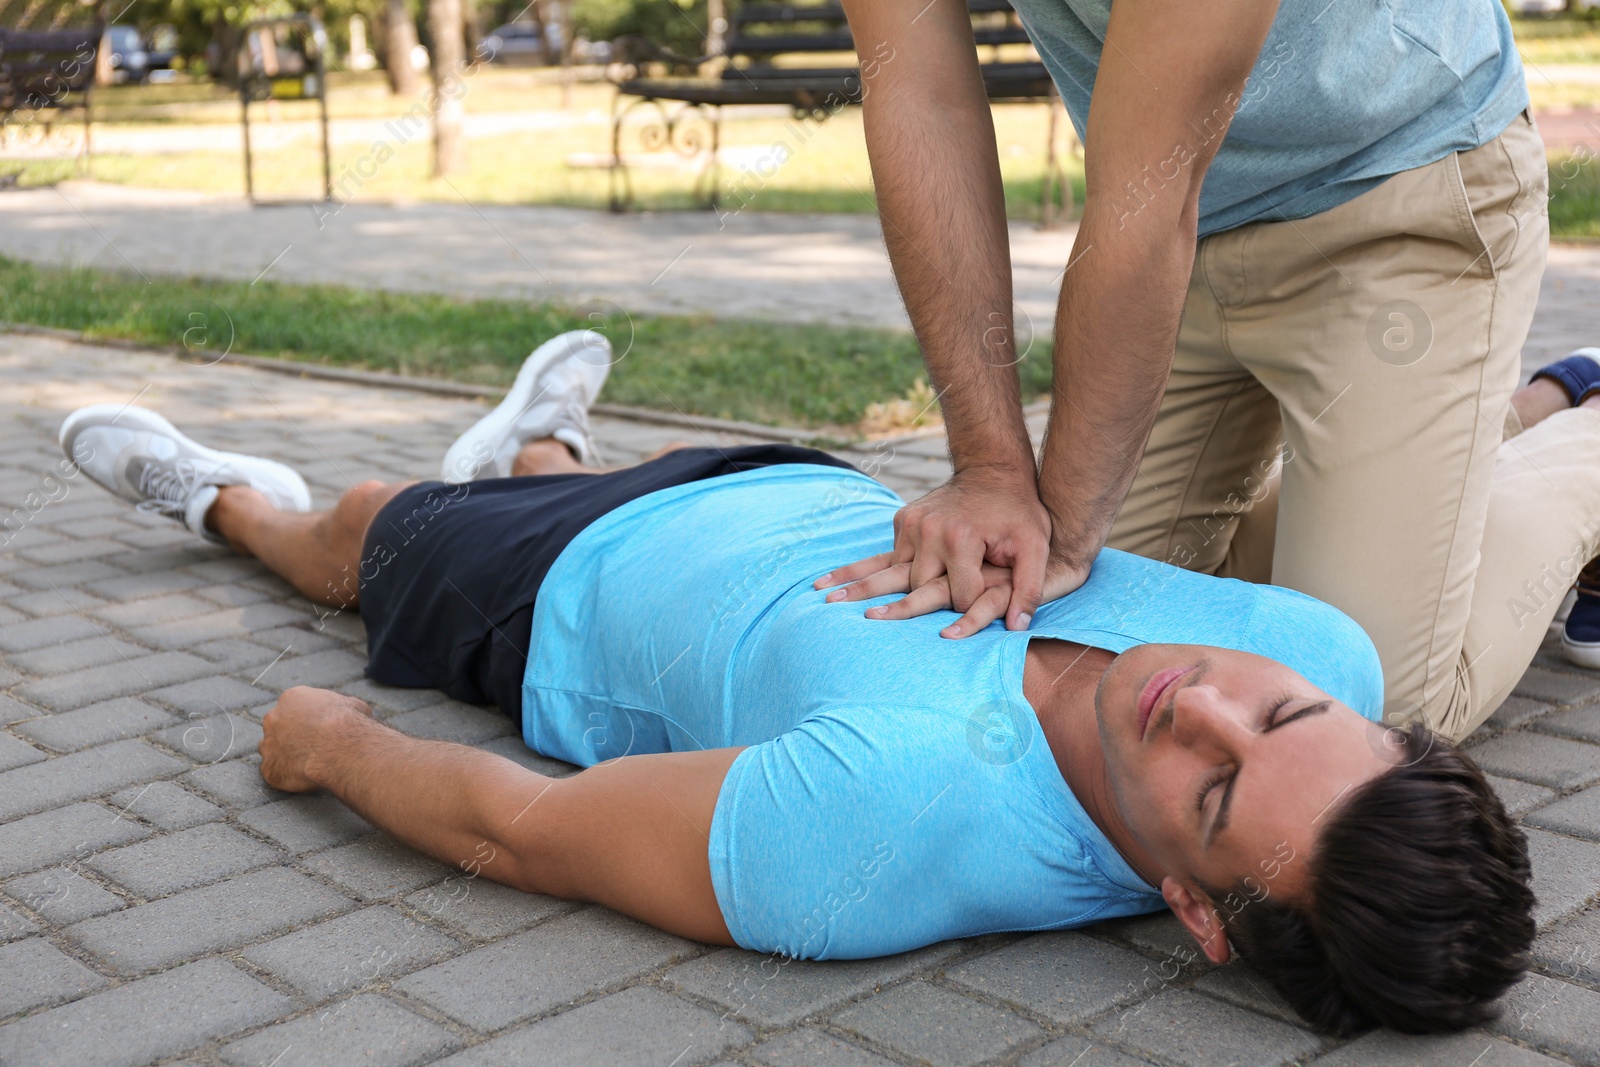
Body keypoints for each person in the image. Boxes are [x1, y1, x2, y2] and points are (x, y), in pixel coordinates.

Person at [61, 332, 1536, 1036]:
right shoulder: (1326, 646)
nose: (1197, 698)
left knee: (354, 530)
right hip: (801, 485)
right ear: (1360, 715)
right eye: (1277, 715)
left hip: (561, 591)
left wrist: (330, 744)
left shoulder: (887, 828)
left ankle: (216, 498)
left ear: (1198, 912)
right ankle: (539, 438)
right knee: (540, 467)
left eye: (1211, 787)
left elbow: (524, 828)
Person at [830, 0, 1553, 739]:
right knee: (1079, 656)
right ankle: (1447, 447)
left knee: (1363, 715)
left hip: (1398, 191)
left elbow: (1150, 199)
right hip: (1178, 239)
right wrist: (990, 470)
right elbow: (923, 95)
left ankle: (1577, 428)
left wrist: (1070, 536)